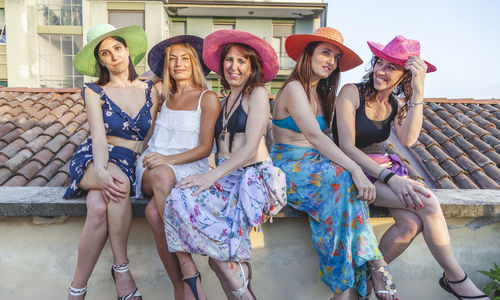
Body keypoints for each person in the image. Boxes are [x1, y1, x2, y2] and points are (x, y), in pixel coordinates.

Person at [333, 35, 488, 300]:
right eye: (379, 63)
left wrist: (418, 91)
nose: (381, 70)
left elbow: (409, 140)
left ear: (404, 75)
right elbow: (346, 146)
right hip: (350, 171)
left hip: (383, 171)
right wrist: (390, 178)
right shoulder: (351, 92)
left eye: (391, 67)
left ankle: (366, 288)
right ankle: (456, 278)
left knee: (410, 225)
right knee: (427, 201)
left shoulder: (395, 103)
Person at [270, 27, 398, 300]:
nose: (331, 61)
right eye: (325, 52)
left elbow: (331, 136)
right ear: (308, 54)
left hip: (315, 166)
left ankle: (346, 284)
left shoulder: (321, 94)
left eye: (336, 57)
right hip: (288, 167)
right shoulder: (294, 88)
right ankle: (372, 264)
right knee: (346, 178)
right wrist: (355, 168)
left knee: (342, 207)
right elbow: (315, 136)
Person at [163, 29, 287, 300]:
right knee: (176, 198)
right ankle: (235, 286)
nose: (234, 66)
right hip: (226, 177)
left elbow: (251, 147)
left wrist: (210, 177)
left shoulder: (257, 94)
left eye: (242, 61)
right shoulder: (222, 100)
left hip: (254, 177)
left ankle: (244, 294)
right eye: (229, 60)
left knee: (219, 254)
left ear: (252, 66)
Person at [65, 24, 157, 300]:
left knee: (96, 207)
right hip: (95, 156)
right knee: (116, 184)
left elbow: (149, 138)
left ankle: (76, 290)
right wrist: (102, 172)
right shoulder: (94, 91)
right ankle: (122, 270)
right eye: (105, 53)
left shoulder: (150, 89)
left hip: (129, 159)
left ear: (127, 50)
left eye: (117, 48)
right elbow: (97, 137)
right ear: (100, 61)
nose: (114, 56)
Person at [135, 35, 220, 300]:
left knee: (152, 213)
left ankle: (179, 288)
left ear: (194, 63)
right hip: (155, 166)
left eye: (184, 58)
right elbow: (153, 140)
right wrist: (157, 158)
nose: (178, 64)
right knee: (161, 175)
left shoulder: (207, 98)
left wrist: (168, 160)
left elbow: (205, 148)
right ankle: (187, 264)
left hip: (187, 166)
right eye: (172, 60)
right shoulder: (165, 97)